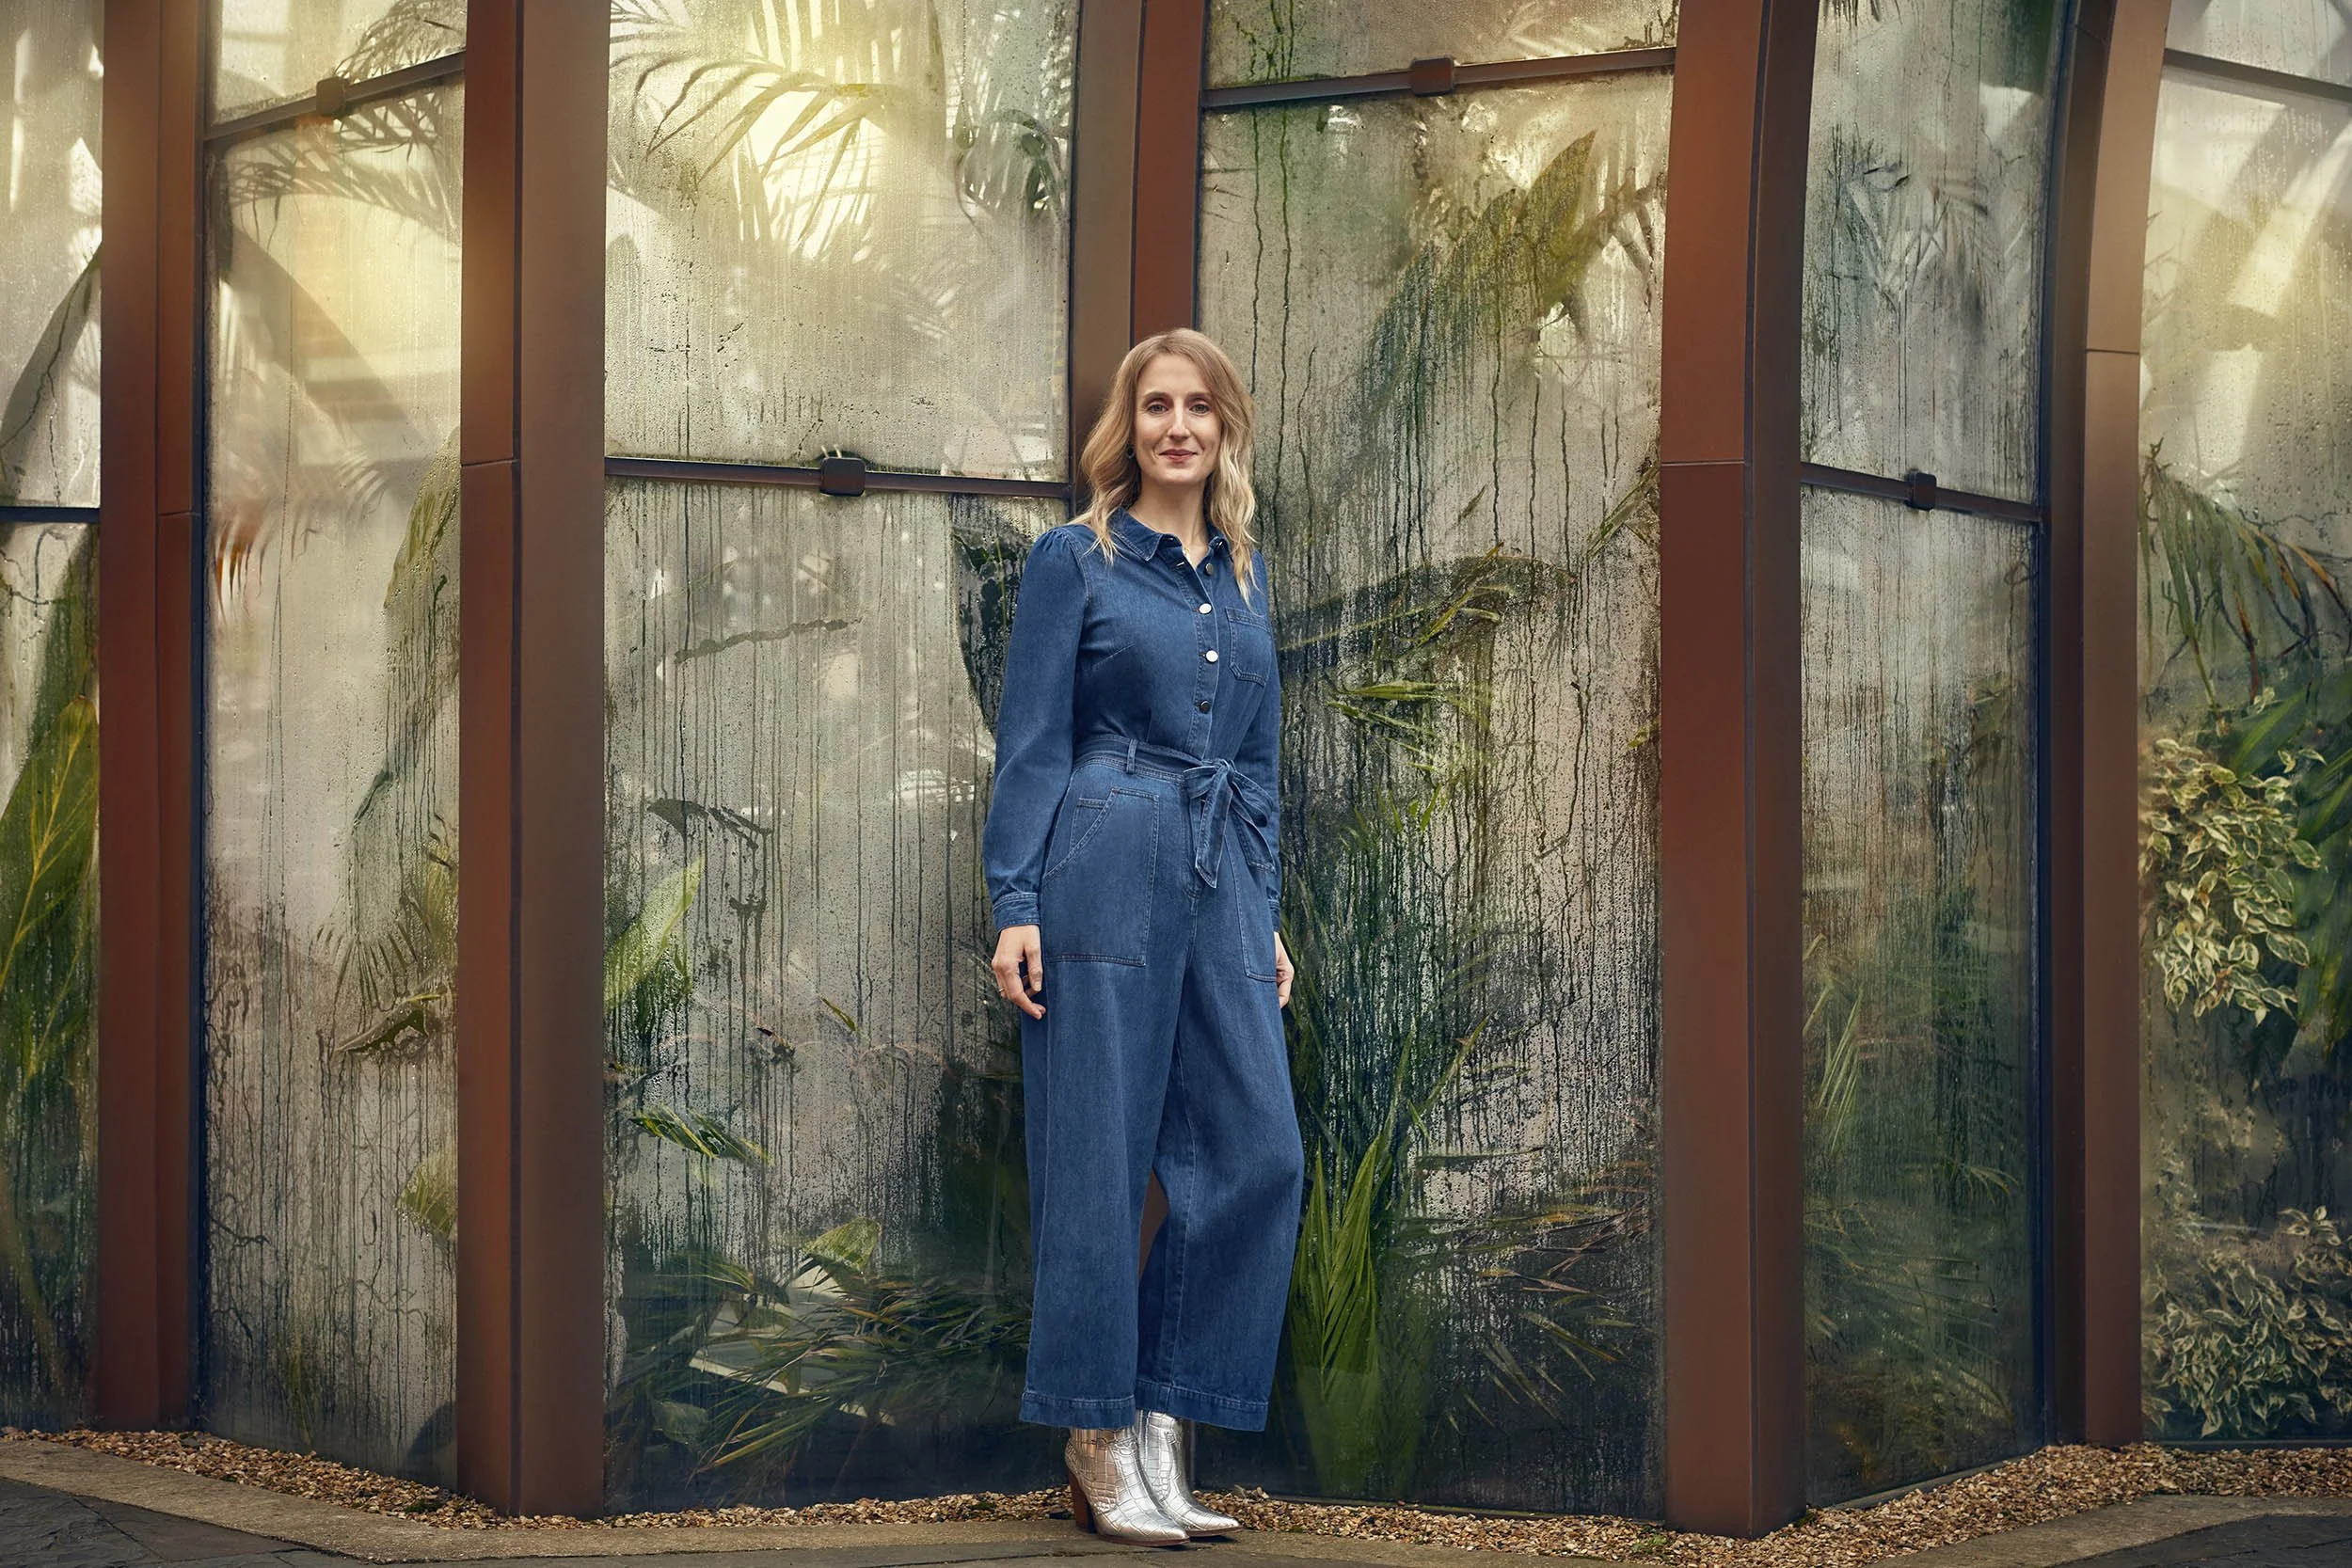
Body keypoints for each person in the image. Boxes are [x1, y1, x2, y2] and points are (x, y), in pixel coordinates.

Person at [981, 329, 1305, 1544]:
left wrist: (1262, 911)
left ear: (1227, 425)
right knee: (1101, 1159)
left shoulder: (1246, 573)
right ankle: (1094, 1428)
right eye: (1158, 405)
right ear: (1131, 424)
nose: (1179, 425)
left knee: (1260, 1151)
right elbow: (1033, 741)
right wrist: (1017, 898)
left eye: (1200, 406)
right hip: (1103, 855)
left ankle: (1165, 1412)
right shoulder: (1078, 558)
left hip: (1222, 868)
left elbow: (1263, 764)